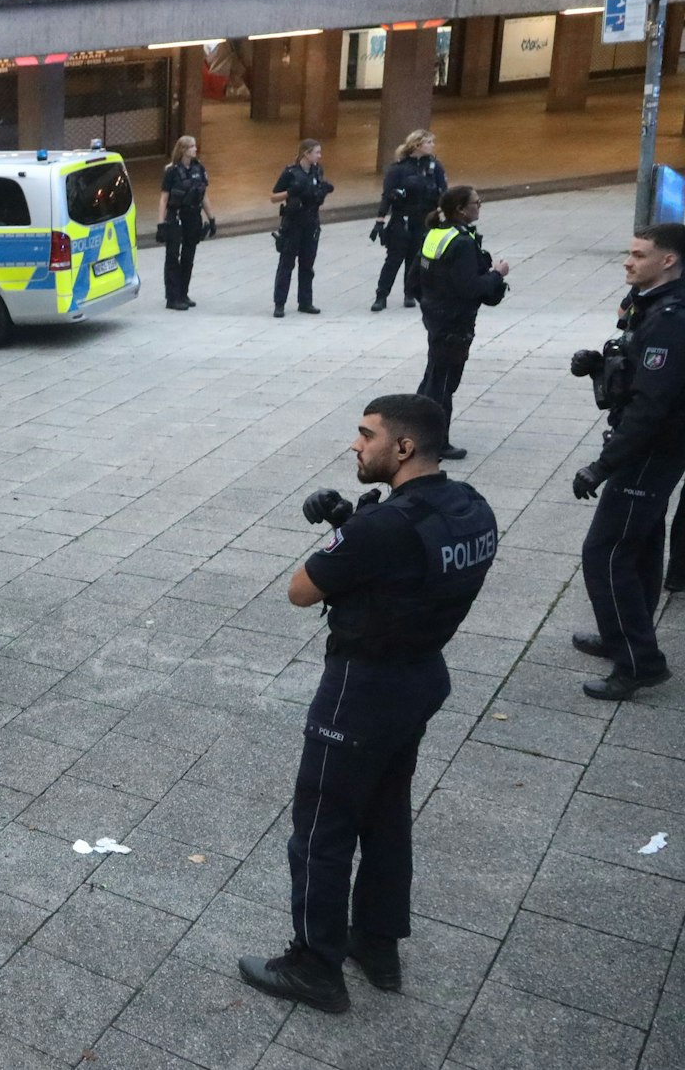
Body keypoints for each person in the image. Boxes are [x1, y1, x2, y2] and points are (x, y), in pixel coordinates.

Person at [239, 394, 496, 1014]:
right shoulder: (471, 508)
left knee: (321, 830)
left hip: (362, 688)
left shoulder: (380, 528)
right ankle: (376, 943)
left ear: (402, 448)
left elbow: (302, 591)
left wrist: (349, 535)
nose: (355, 445)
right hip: (421, 677)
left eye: (366, 434)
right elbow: (409, 571)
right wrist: (350, 530)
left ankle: (314, 966)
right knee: (385, 815)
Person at [569, 223, 685, 700]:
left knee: (606, 551)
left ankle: (639, 661)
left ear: (669, 261)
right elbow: (641, 376)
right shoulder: (653, 305)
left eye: (639, 254)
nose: (627, 261)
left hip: (649, 451)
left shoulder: (671, 317)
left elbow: (652, 406)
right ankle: (623, 633)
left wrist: (604, 465)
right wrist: (599, 365)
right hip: (653, 447)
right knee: (638, 545)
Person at [414, 186, 509, 461]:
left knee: (433, 377)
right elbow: (470, 287)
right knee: (443, 383)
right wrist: (497, 275)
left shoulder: (435, 234)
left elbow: (414, 279)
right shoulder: (463, 242)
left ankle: (417, 429)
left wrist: (429, 306)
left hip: (436, 316)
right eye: (477, 202)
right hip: (455, 321)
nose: (480, 206)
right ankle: (435, 442)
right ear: (461, 210)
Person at [371, 130, 448, 312]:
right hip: (401, 219)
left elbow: (444, 194)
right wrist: (380, 220)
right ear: (417, 145)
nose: (432, 145)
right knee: (394, 259)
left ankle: (410, 293)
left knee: (416, 259)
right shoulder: (399, 169)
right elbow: (387, 196)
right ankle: (381, 295)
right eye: (428, 142)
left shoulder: (435, 167)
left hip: (424, 219)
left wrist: (444, 217)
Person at [269, 139, 334, 318]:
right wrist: (290, 193)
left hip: (311, 221)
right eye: (317, 153)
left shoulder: (317, 171)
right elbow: (273, 197)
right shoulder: (291, 172)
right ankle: (279, 302)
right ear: (306, 153)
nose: (320, 156)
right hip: (293, 223)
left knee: (307, 264)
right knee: (286, 264)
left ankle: (305, 301)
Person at [157, 135, 215, 311]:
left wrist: (211, 218)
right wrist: (161, 224)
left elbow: (203, 195)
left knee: (189, 256)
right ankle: (172, 296)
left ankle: (183, 293)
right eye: (191, 147)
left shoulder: (199, 168)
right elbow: (164, 198)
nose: (195, 149)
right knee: (173, 256)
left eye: (195, 146)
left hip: (193, 216)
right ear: (183, 149)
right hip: (176, 216)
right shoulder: (172, 171)